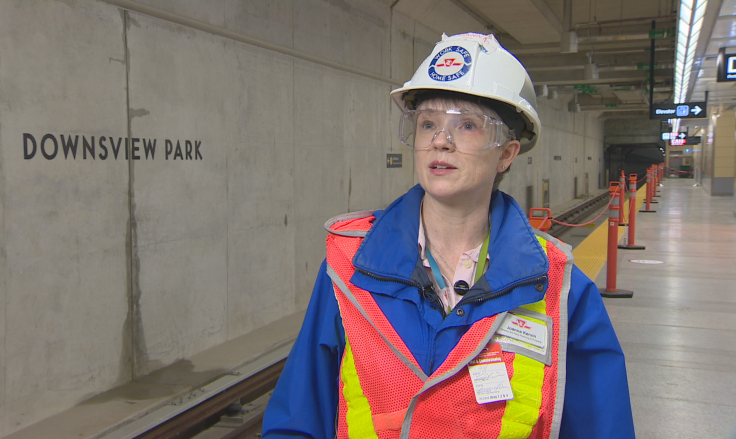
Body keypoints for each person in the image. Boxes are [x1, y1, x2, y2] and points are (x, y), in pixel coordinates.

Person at [262, 33, 634, 438]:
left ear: (506, 154)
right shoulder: (349, 269)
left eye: (468, 125)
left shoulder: (559, 291)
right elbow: (296, 421)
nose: (441, 140)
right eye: (427, 124)